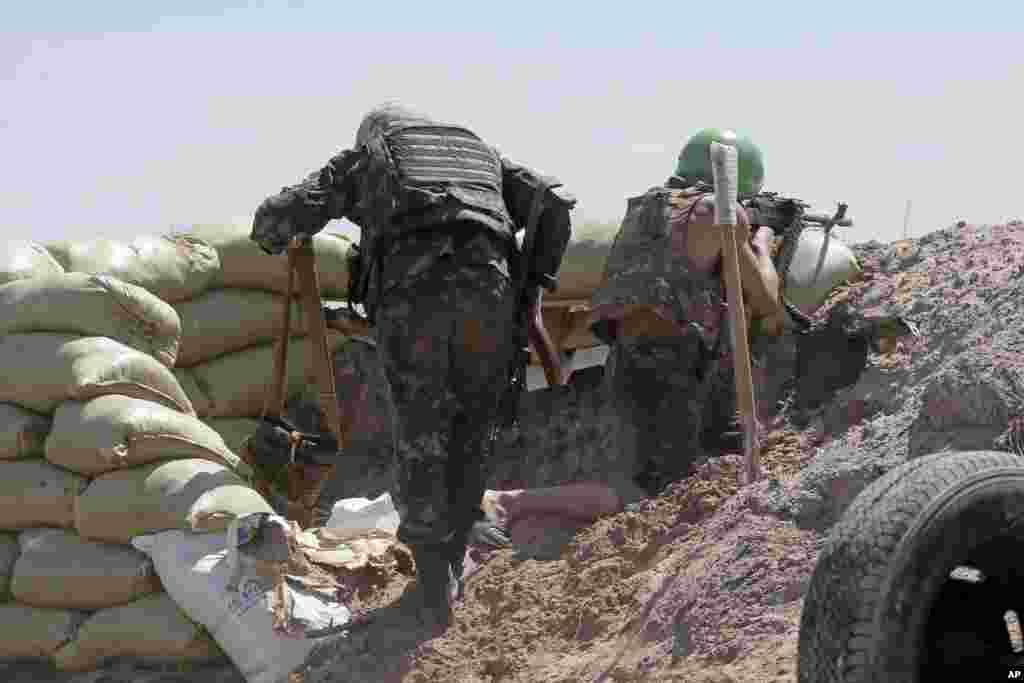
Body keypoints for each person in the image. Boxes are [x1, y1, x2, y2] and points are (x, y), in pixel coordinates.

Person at [249, 103, 576, 629]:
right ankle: (460, 536)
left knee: (423, 428)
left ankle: (431, 578)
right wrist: (531, 287)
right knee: (474, 419)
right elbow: (555, 207)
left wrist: (270, 233)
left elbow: (282, 216)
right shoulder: (482, 155)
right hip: (489, 294)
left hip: (413, 297)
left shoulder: (370, 156)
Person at [588, 127, 784, 504]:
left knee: (638, 485)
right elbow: (767, 300)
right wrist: (762, 244)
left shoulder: (649, 205)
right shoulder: (721, 212)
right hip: (674, 364)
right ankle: (511, 502)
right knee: (663, 495)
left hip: (625, 357)